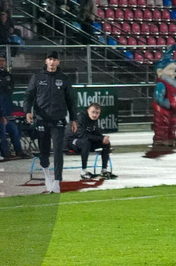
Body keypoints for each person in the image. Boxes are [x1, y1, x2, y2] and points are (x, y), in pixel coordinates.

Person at [24, 51, 78, 194]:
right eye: (50, 59)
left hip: (59, 120)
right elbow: (28, 96)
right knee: (44, 152)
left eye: (55, 60)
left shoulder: (64, 79)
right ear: (46, 61)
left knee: (59, 151)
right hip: (42, 119)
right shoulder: (37, 77)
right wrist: (27, 111)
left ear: (58, 62)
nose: (52, 62)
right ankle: (47, 176)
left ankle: (57, 181)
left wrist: (74, 119)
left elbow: (71, 101)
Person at [67, 102, 116, 180]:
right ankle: (83, 171)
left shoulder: (93, 120)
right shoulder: (80, 118)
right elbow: (83, 135)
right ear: (88, 111)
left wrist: (103, 138)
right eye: (93, 112)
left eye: (97, 113)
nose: (94, 115)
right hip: (71, 141)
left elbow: (96, 133)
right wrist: (100, 138)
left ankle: (104, 170)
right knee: (85, 142)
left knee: (106, 143)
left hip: (85, 141)